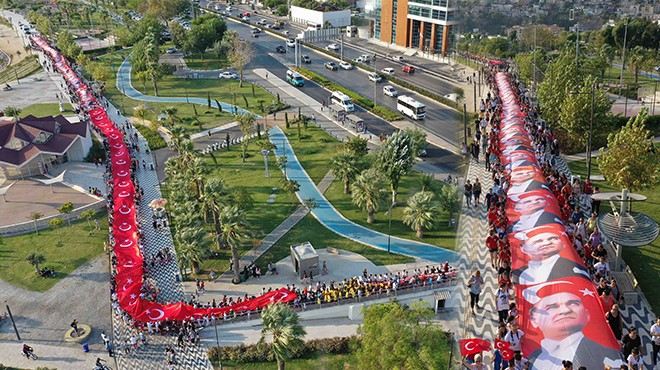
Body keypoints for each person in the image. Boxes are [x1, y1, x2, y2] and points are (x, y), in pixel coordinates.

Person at [524, 281, 625, 370]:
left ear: (587, 314)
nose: (565, 310)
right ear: (533, 319)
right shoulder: (532, 356)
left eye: (573, 303)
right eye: (552, 307)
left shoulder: (607, 355)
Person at [512, 225, 589, 285]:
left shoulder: (575, 270)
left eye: (553, 238)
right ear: (523, 248)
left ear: (564, 243)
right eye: (538, 241)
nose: (546, 243)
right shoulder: (521, 273)